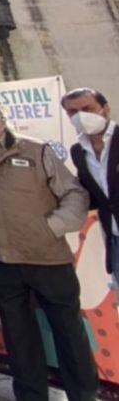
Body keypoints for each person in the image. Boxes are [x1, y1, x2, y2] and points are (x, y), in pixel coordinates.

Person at [0, 95, 97, 401]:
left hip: (47, 258)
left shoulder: (34, 149)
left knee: (69, 332)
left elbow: (74, 194)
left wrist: (51, 227)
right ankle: (31, 395)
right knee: (18, 336)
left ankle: (83, 394)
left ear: (0, 117)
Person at [65, 87, 119, 284]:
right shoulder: (79, 151)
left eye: (88, 108)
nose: (81, 116)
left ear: (105, 109)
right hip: (114, 238)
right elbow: (93, 196)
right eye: (73, 112)